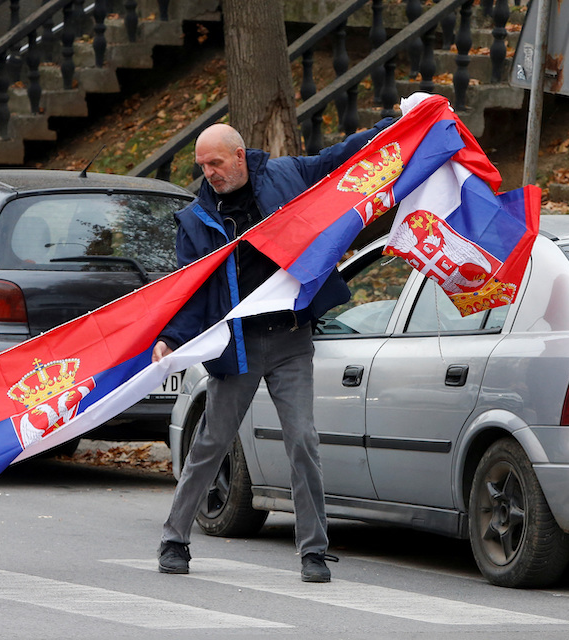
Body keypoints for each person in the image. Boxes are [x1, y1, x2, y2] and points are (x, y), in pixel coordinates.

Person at [152, 119, 392, 583]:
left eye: (216, 163)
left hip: (290, 339)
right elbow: (190, 290)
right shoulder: (196, 218)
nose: (210, 174)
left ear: (240, 156)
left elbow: (340, 156)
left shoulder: (286, 175)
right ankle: (174, 539)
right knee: (211, 442)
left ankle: (314, 553)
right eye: (202, 167)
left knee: (303, 441)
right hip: (236, 345)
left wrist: (395, 124)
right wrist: (171, 339)